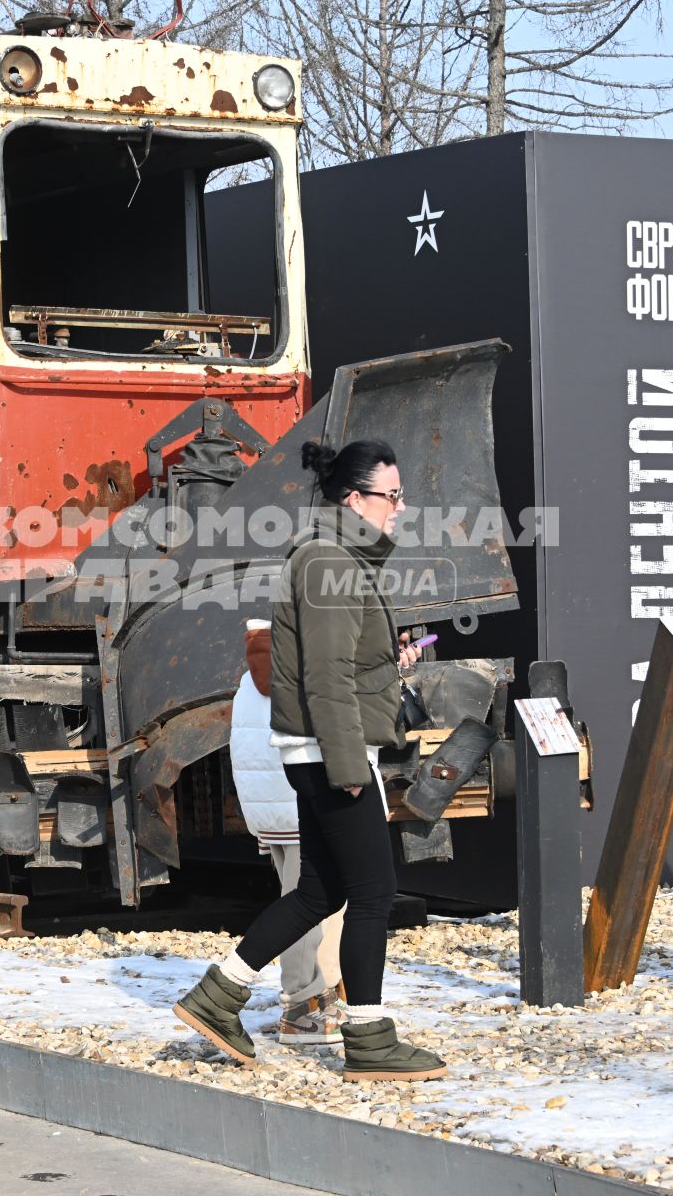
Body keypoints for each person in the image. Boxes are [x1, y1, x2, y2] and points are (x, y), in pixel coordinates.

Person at [174, 438, 443, 1082]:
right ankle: (370, 1039)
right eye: (392, 495)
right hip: (330, 753)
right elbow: (323, 677)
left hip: (322, 749)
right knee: (374, 893)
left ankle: (218, 996)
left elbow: (340, 664)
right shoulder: (328, 561)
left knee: (321, 890)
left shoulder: (336, 558)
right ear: (355, 499)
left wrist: (388, 665)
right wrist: (349, 766)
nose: (400, 508)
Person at [230, 617, 346, 1045]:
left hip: (274, 811)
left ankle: (318, 998)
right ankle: (301, 1010)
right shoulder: (301, 676)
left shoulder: (251, 679)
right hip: (303, 807)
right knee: (307, 908)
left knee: (303, 901)